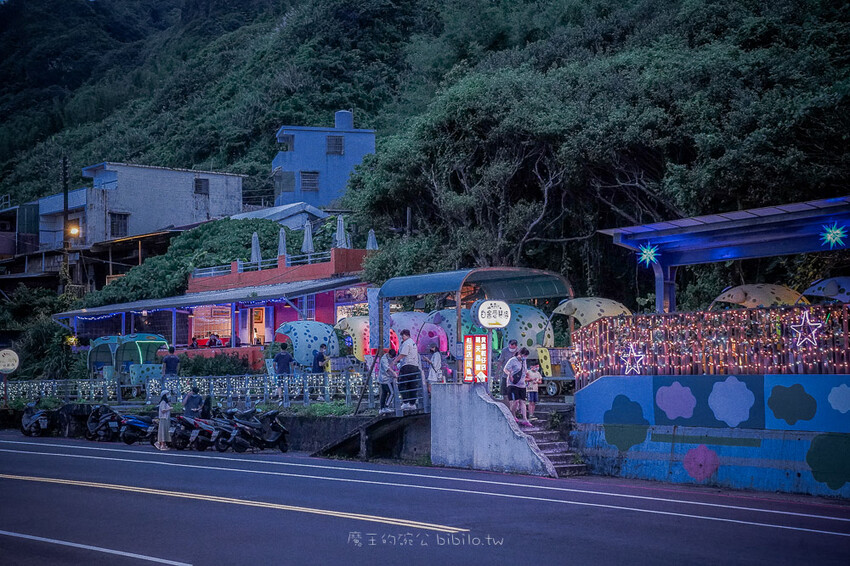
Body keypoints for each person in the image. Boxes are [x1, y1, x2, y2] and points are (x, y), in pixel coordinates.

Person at [394, 329, 421, 411]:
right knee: (412, 385)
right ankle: (412, 403)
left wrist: (394, 361)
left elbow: (403, 354)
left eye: (402, 336)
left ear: (406, 335)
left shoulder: (406, 343)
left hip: (407, 365)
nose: (402, 338)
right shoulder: (413, 343)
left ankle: (405, 402)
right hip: (415, 366)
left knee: (401, 384)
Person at [503, 347, 531, 427]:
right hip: (513, 384)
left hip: (522, 384)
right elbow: (505, 369)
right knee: (515, 401)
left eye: (526, 356)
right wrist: (510, 374)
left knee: (523, 401)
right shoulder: (512, 360)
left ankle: (525, 419)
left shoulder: (524, 361)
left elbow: (525, 371)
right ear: (520, 354)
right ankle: (513, 415)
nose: (524, 357)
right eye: (524, 355)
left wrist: (527, 377)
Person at [378, 348, 398, 414]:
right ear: (388, 354)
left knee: (384, 393)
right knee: (392, 393)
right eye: (391, 357)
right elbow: (387, 368)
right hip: (385, 379)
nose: (391, 358)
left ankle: (382, 408)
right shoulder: (384, 359)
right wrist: (394, 373)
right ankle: (386, 407)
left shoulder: (389, 358)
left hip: (386, 378)